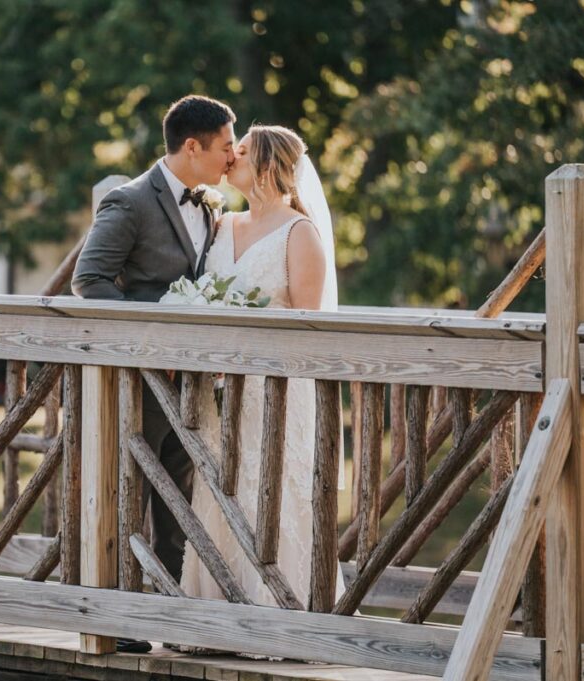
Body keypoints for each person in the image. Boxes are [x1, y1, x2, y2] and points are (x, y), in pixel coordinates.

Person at [72, 95, 236, 653]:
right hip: (140, 380)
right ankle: (121, 619)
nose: (232, 158)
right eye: (225, 146)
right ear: (192, 146)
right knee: (130, 491)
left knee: (177, 498)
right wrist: (148, 343)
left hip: (190, 383)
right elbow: (89, 279)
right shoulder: (131, 201)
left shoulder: (212, 206)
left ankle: (163, 612)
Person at [179, 124, 347, 612]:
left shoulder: (300, 234)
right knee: (217, 491)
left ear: (269, 166)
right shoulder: (222, 225)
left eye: (243, 151)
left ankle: (281, 611)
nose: (230, 156)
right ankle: (213, 613)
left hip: (275, 393)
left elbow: (308, 332)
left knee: (268, 494)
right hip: (219, 395)